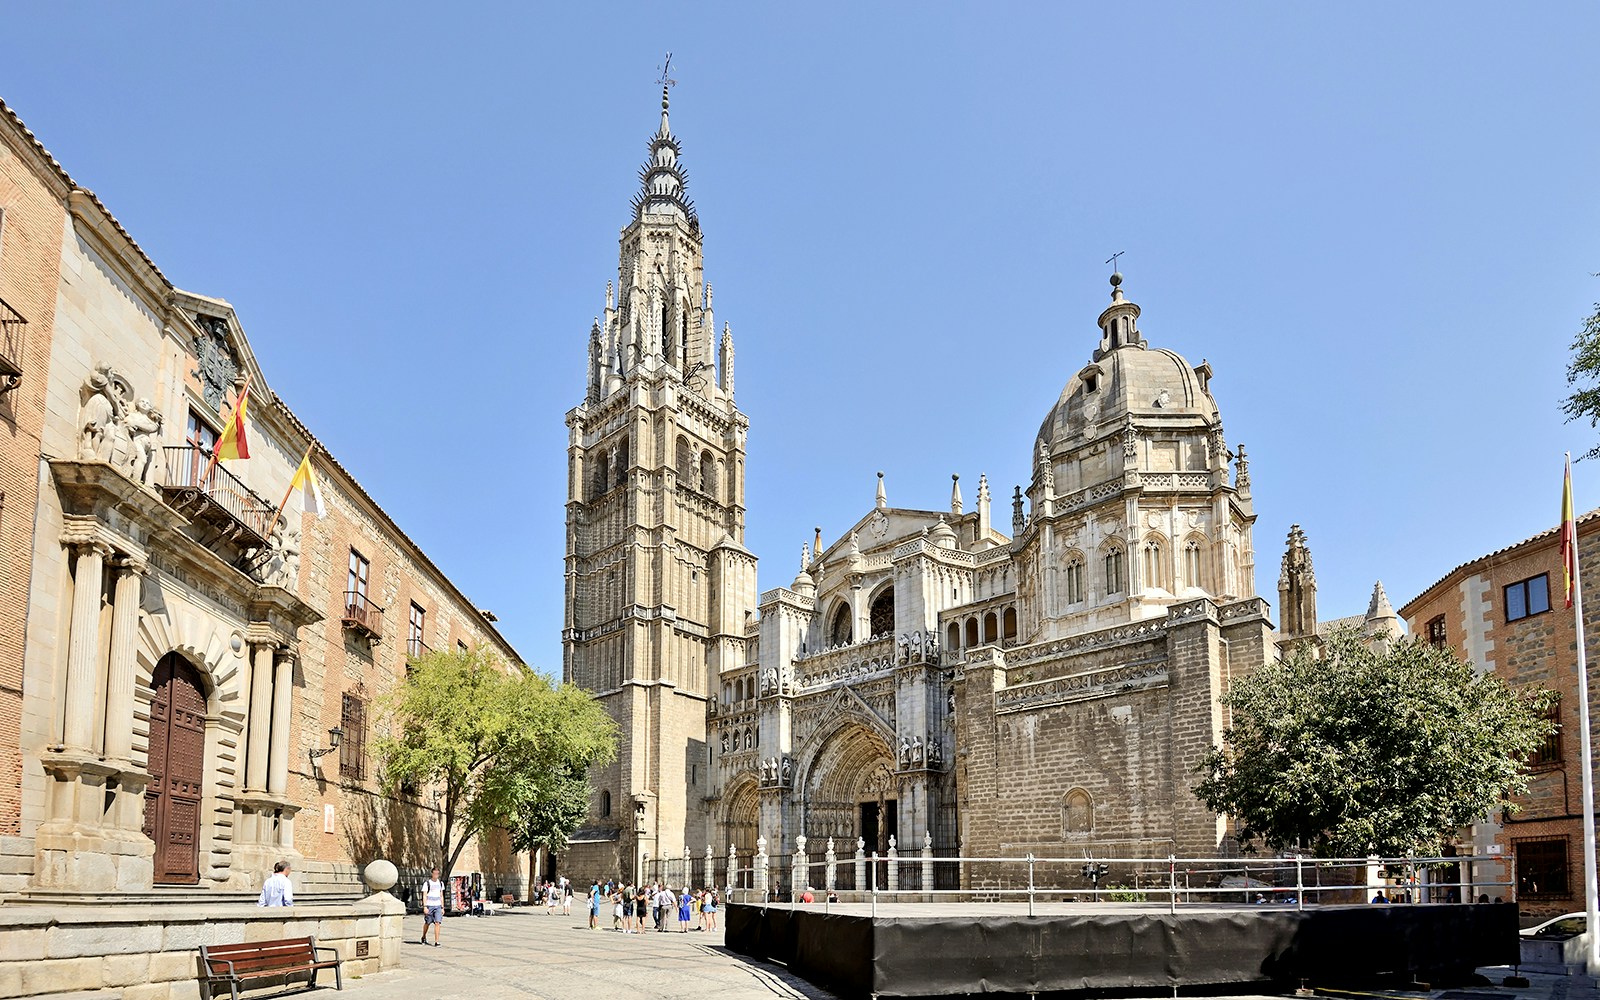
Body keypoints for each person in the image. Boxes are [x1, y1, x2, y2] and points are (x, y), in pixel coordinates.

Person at [421, 868, 446, 946]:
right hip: (429, 905)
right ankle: (424, 936)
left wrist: (442, 907)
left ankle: (437, 941)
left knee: (437, 922)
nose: (436, 875)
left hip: (438, 906)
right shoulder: (427, 883)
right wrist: (425, 907)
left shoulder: (441, 883)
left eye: (437, 874)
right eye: (435, 873)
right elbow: (424, 895)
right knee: (427, 923)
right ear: (432, 874)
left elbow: (441, 896)